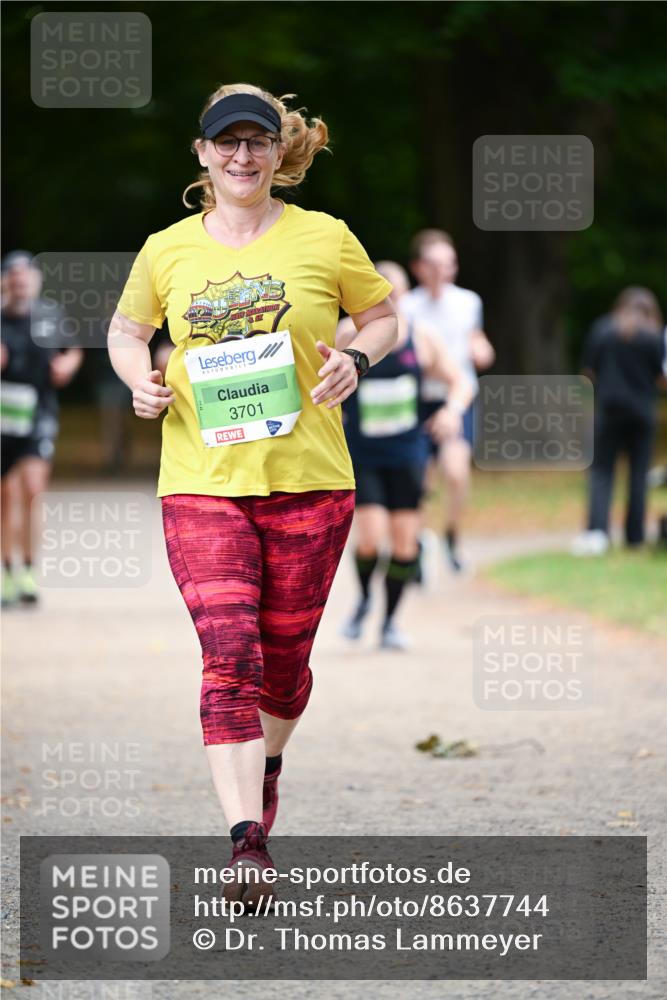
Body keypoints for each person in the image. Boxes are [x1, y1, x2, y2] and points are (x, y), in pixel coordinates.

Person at [108, 84, 397, 898]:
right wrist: (141, 380)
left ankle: (265, 767)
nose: (241, 156)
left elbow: (381, 316)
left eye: (256, 142)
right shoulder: (166, 249)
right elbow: (128, 332)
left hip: (310, 482)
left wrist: (358, 358)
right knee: (228, 654)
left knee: (285, 664)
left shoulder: (324, 237)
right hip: (201, 483)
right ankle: (245, 842)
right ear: (201, 154)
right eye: (225, 142)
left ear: (278, 153)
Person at [339, 261, 472, 650]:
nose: (391, 301)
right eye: (382, 294)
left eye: (396, 294)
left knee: (404, 545)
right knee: (370, 538)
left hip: (408, 452)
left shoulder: (422, 337)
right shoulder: (349, 333)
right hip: (363, 452)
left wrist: (451, 410)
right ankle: (364, 598)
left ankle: (390, 623)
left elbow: (459, 380)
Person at [402, 230, 494, 572]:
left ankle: (452, 533)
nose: (444, 270)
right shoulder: (408, 306)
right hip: (420, 401)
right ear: (418, 267)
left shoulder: (468, 301)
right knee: (419, 479)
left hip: (458, 398)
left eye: (450, 263)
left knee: (455, 474)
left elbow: (475, 340)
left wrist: (482, 349)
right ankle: (419, 543)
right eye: (436, 263)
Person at [1, 251, 83, 606]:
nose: (20, 281)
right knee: (6, 498)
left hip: (39, 413)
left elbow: (74, 348)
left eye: (26, 275)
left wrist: (67, 364)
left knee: (34, 490)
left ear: (35, 280)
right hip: (3, 415)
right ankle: (8, 574)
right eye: (13, 276)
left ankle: (31, 572)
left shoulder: (50, 314)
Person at [572, 287, 666, 555]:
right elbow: (660, 376)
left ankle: (597, 532)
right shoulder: (653, 336)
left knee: (602, 472)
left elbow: (588, 372)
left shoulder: (603, 330)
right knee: (638, 475)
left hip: (609, 410)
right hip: (642, 411)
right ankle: (634, 537)